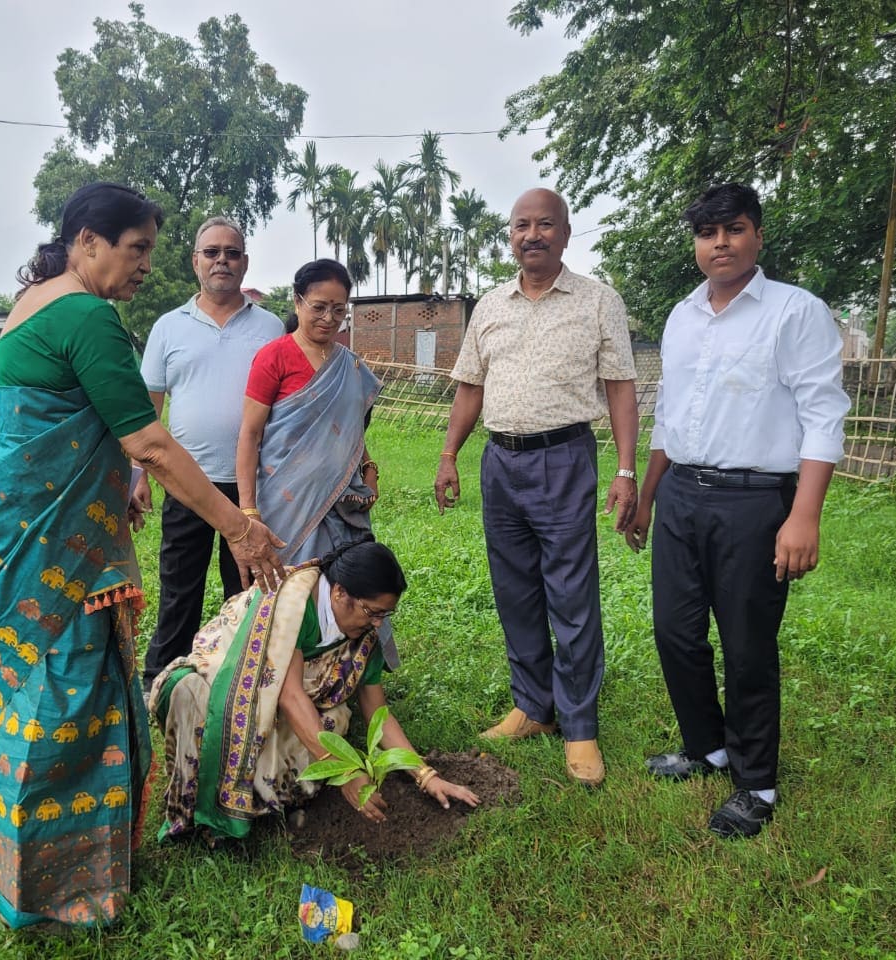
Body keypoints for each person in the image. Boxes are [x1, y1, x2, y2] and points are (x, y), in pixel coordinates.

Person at [0, 182, 283, 932]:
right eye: (136, 249)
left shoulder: (34, 304)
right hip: (52, 551)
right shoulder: (88, 315)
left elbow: (67, 422)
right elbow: (150, 440)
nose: (143, 267)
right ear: (86, 241)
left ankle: (37, 860)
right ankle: (44, 889)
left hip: (16, 530)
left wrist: (115, 482)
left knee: (49, 693)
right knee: (60, 700)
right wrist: (237, 526)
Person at [625, 182, 848, 839]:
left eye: (734, 229)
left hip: (756, 501)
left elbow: (823, 414)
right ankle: (707, 748)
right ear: (696, 243)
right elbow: (670, 414)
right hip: (683, 497)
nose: (720, 243)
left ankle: (757, 784)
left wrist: (803, 516)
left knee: (748, 647)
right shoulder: (682, 316)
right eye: (707, 232)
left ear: (757, 236)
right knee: (674, 630)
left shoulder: (794, 312)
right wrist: (647, 494)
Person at [433, 188, 639, 788]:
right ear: (510, 236)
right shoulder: (491, 306)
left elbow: (621, 386)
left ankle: (579, 727)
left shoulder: (599, 301)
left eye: (545, 224)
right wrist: (449, 454)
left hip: (564, 458)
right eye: (521, 225)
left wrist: (625, 471)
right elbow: (470, 386)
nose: (532, 235)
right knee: (515, 590)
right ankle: (532, 707)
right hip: (501, 462)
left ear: (566, 233)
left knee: (571, 595)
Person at [150, 538, 479, 840]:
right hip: (221, 688)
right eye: (373, 612)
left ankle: (270, 800)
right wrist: (346, 773)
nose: (378, 623)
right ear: (339, 593)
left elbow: (379, 714)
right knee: (190, 693)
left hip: (281, 703)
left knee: (334, 718)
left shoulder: (363, 638)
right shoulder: (293, 606)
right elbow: (291, 696)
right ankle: (206, 810)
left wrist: (426, 775)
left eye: (385, 615)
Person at [136, 217, 284, 693]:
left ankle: (238, 681)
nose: (222, 260)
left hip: (251, 488)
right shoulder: (168, 328)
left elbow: (283, 407)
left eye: (232, 252)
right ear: (195, 260)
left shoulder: (270, 327)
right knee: (180, 588)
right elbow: (149, 409)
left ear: (245, 262)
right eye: (212, 252)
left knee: (245, 589)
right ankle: (160, 683)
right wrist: (139, 473)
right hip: (186, 484)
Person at [235, 259, 398, 668]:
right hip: (285, 504)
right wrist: (248, 509)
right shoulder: (273, 358)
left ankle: (345, 675)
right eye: (319, 306)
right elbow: (250, 436)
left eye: (339, 310)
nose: (329, 318)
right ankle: (279, 678)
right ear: (298, 301)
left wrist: (369, 471)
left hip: (343, 505)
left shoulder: (351, 366)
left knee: (350, 589)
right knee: (290, 591)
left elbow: (353, 432)